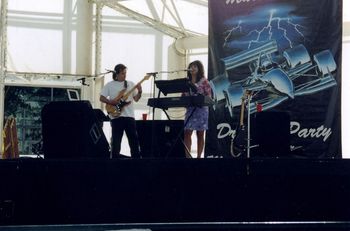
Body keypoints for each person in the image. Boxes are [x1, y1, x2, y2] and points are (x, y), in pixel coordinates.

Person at [100, 63, 142, 158]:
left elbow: (136, 99)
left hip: (129, 117)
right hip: (116, 117)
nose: (125, 75)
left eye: (125, 73)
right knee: (116, 142)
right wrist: (111, 102)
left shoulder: (130, 84)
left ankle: (137, 162)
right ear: (117, 74)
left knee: (134, 141)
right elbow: (102, 98)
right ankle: (114, 163)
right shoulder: (109, 85)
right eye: (123, 73)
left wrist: (140, 91)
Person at [183, 60, 212, 158]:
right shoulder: (186, 82)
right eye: (191, 66)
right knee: (187, 132)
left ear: (199, 68)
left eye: (195, 66)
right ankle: (187, 157)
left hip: (201, 111)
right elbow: (182, 96)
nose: (193, 68)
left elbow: (209, 97)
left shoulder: (204, 81)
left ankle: (199, 157)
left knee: (200, 133)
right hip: (190, 110)